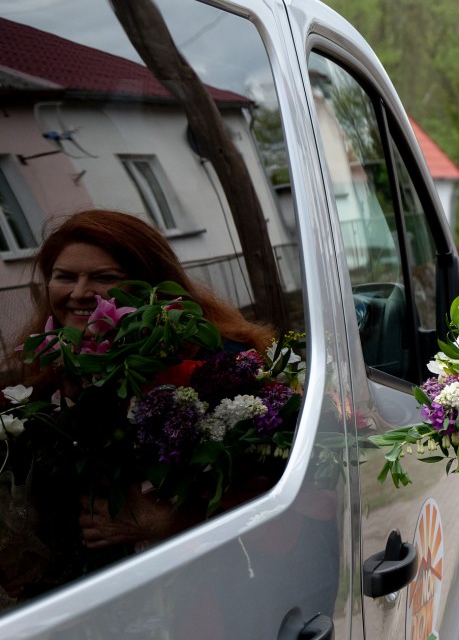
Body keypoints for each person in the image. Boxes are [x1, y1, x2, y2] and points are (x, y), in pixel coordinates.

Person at [7, 209, 277, 561]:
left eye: (104, 277)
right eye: (64, 276)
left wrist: (179, 521)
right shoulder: (42, 371)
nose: (80, 292)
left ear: (153, 283)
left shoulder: (220, 362)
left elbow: (281, 483)